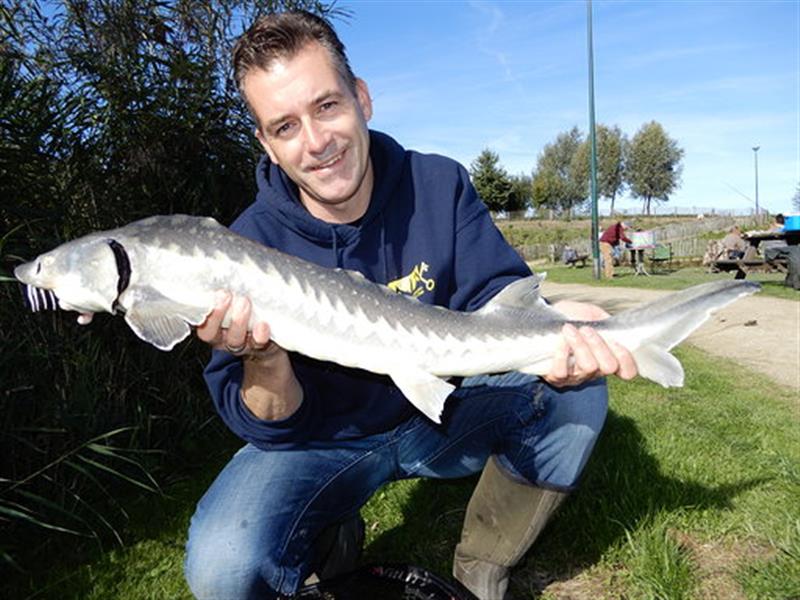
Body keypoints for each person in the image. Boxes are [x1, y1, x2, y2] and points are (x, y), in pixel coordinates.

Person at [183, 11, 637, 600]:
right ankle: (329, 529)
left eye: (327, 106)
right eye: (286, 126)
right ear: (266, 144)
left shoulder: (437, 184)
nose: (317, 142)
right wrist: (262, 357)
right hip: (322, 443)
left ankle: (484, 565)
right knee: (221, 567)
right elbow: (265, 422)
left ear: (362, 98)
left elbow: (495, 297)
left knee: (575, 394)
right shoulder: (243, 249)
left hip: (439, 415)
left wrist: (556, 333)